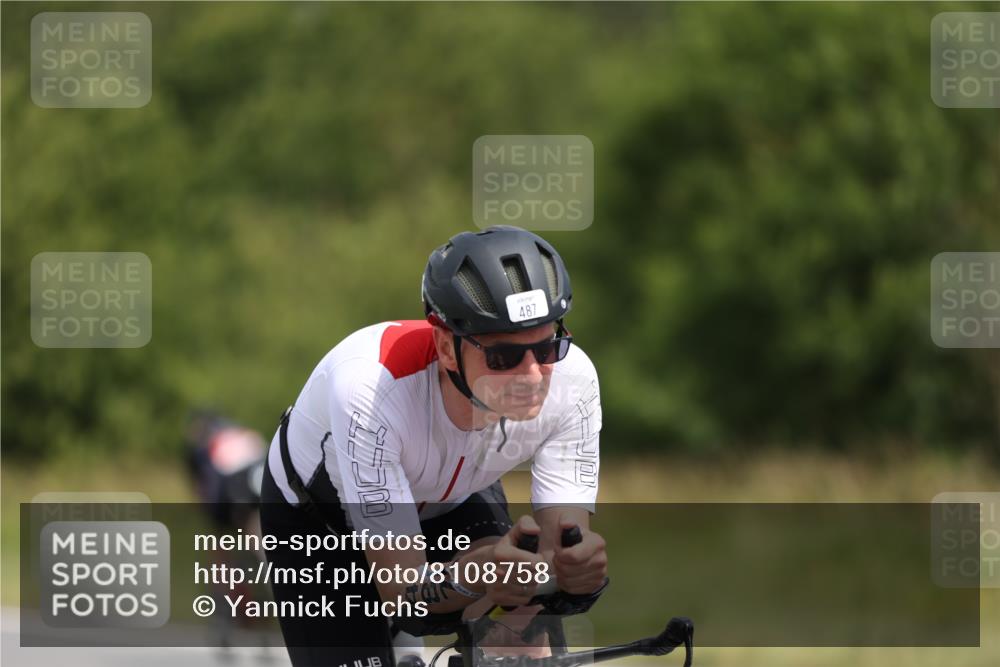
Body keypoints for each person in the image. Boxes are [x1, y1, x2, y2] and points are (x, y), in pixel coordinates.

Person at [259, 225, 607, 667]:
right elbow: (404, 591)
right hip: (321, 520)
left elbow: (560, 550)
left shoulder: (575, 381)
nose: (533, 376)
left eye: (547, 348)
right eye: (502, 357)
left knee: (526, 631)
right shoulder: (371, 392)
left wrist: (575, 574)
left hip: (451, 494)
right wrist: (481, 575)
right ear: (446, 347)